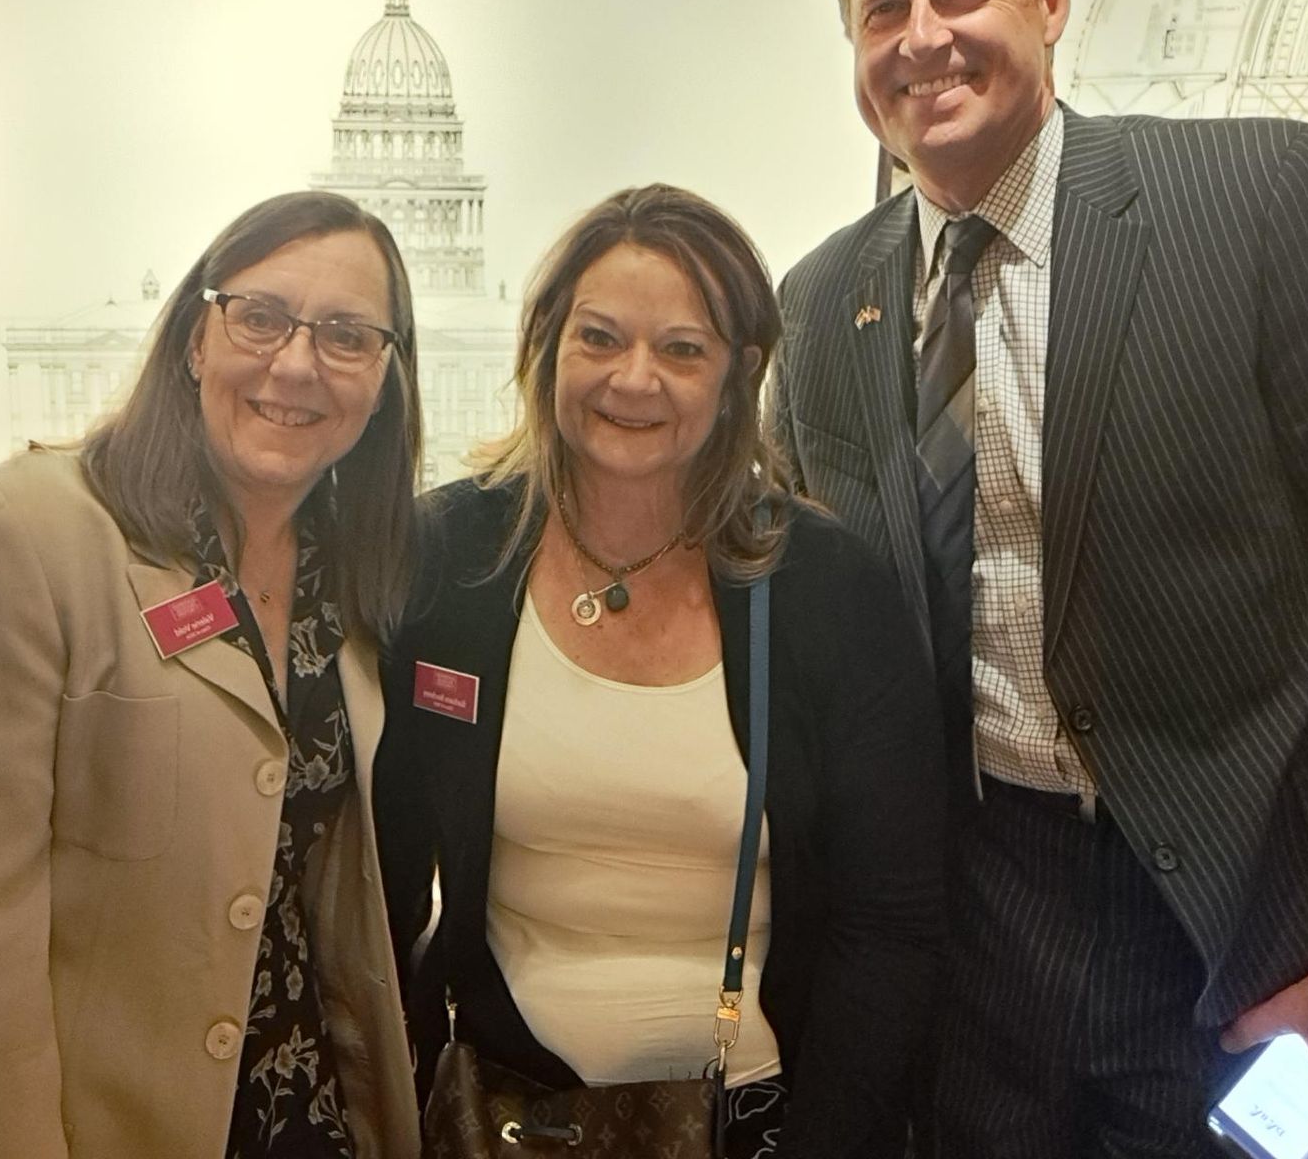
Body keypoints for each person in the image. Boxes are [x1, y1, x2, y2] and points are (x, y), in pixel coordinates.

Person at [772, 0, 1308, 1158]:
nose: (924, 38)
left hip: (1249, 943)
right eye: (884, 9)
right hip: (972, 950)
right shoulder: (820, 303)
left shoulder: (1269, 205)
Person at [375, 183, 949, 1157]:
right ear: (546, 343)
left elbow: (889, 925)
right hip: (500, 1112)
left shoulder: (827, 588)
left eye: (682, 350)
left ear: (740, 373)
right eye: (599, 338)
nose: (633, 380)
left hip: (751, 1120)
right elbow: (382, 880)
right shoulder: (447, 559)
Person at [0, 190, 423, 1158]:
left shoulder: (358, 574)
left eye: (347, 336)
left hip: (311, 1109)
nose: (297, 365)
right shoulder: (27, 533)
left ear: (384, 380)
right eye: (260, 317)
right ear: (195, 339)